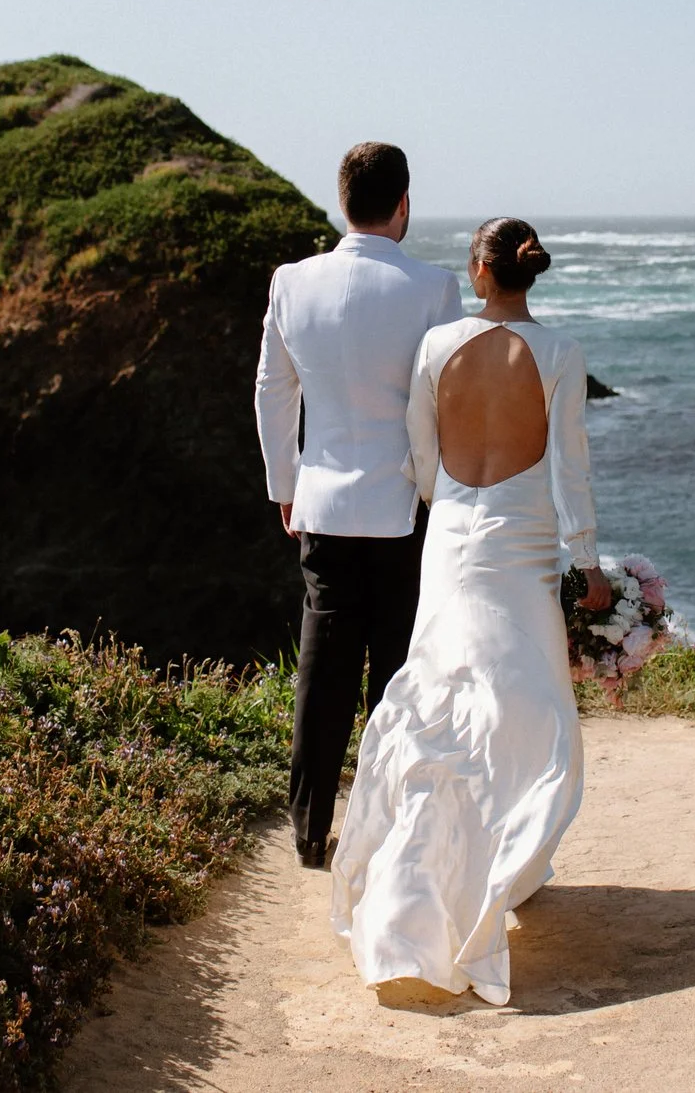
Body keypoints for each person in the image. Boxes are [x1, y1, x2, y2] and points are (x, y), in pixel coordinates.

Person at [329, 217, 612, 1006]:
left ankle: (424, 877)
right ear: (526, 273)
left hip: (451, 539)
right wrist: (586, 560)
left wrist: (453, 505)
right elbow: (571, 469)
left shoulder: (434, 347)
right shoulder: (560, 354)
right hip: (522, 551)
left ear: (479, 270)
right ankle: (507, 860)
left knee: (439, 697)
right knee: (531, 707)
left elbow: (420, 453)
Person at [255, 142, 465, 870]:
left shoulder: (292, 282)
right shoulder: (435, 289)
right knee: (396, 670)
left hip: (321, 504)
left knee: (323, 666)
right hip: (405, 506)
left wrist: (286, 484)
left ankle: (310, 828)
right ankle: (386, 824)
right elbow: (446, 404)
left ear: (342, 200)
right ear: (403, 203)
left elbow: (272, 391)